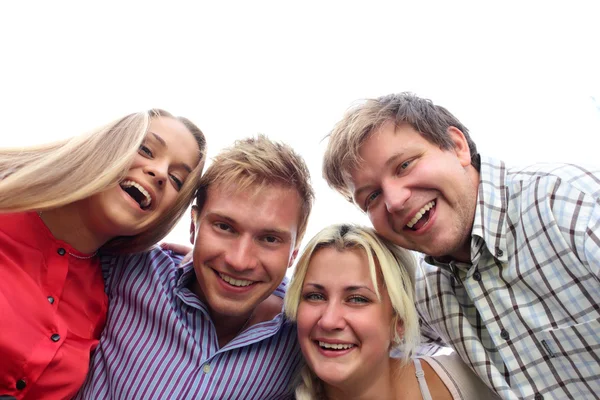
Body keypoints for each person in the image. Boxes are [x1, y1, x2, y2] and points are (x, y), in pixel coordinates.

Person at [322, 92, 600, 400]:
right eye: (372, 196)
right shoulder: (425, 291)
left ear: (457, 146)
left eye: (404, 165)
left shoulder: (570, 207)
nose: (395, 200)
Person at [76, 134, 315, 400]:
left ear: (293, 253)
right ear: (193, 226)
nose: (239, 260)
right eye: (224, 227)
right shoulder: (128, 267)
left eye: (269, 239)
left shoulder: (307, 335)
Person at [0, 109, 206, 400]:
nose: (159, 173)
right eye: (146, 150)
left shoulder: (106, 297)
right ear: (108, 144)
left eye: (176, 179)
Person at [284, 224, 499, 400]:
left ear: (400, 322)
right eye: (315, 296)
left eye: (357, 299)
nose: (329, 321)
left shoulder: (469, 384)